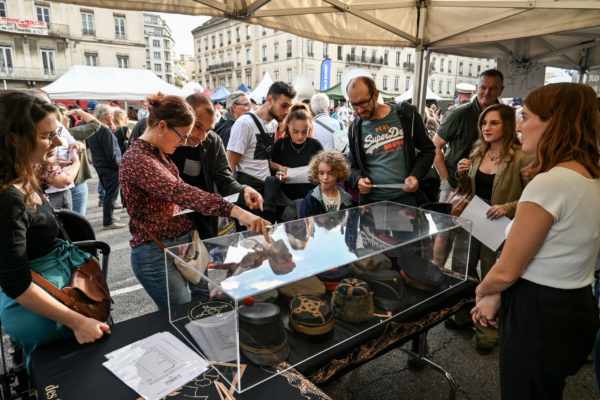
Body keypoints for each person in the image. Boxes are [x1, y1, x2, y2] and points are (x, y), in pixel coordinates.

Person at [471, 83, 600, 399]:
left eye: (526, 116)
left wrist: (483, 291)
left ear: (554, 123)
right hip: (576, 302)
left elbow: (507, 269)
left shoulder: (550, 183)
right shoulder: (590, 175)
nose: (519, 125)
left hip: (537, 315)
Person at [120, 93, 270, 310]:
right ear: (162, 126)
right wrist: (240, 213)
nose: (185, 141)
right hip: (156, 249)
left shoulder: (156, 152)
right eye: (182, 135)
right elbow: (182, 192)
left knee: (200, 303)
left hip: (186, 240)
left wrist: (241, 195)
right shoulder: (138, 159)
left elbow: (219, 181)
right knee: (182, 313)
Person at [0, 91, 110, 370]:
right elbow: (16, 284)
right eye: (47, 136)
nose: (58, 141)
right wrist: (78, 322)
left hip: (57, 302)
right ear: (14, 138)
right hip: (47, 312)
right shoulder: (8, 198)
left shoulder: (24, 176)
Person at [455, 103, 533, 354]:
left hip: (501, 224)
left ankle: (488, 330)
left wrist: (508, 207)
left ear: (508, 125)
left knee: (491, 274)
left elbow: (535, 197)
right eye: (484, 123)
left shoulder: (522, 157)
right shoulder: (478, 152)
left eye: (494, 123)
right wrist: (461, 174)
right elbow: (469, 187)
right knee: (465, 268)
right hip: (474, 215)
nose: (486, 128)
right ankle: (465, 315)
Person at [170, 93, 264, 239]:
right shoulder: (164, 143)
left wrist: (243, 189)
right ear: (185, 116)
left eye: (208, 130)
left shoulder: (212, 141)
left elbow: (225, 180)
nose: (202, 137)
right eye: (198, 126)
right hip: (170, 228)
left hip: (204, 223)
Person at [346, 76, 435, 206]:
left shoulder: (406, 114)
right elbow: (352, 167)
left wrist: (415, 175)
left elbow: (428, 150)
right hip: (372, 203)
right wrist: (358, 180)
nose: (359, 110)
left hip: (407, 201)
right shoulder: (355, 128)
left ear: (376, 95)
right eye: (354, 105)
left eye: (363, 103)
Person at [433, 70, 505, 202]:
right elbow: (435, 146)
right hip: (456, 188)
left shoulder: (505, 116)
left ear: (501, 90)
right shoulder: (459, 114)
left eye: (493, 88)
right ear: (477, 88)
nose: (487, 92)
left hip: (489, 190)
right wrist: (446, 182)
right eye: (483, 87)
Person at [226, 82, 296, 207]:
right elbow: (230, 163)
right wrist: (235, 201)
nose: (286, 111)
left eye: (289, 107)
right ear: (270, 100)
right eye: (283, 106)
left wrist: (280, 168)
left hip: (268, 190)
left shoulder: (273, 124)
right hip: (248, 193)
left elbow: (260, 158)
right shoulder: (244, 124)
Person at [270, 103, 324, 202]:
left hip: (311, 201)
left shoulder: (316, 145)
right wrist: (279, 175)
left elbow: (325, 173)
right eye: (295, 131)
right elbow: (271, 170)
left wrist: (318, 179)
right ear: (288, 126)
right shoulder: (280, 144)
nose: (300, 136)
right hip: (285, 202)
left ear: (309, 128)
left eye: (304, 131)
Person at [87, 105, 124, 229]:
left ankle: (109, 217)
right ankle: (108, 221)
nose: (113, 117)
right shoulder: (104, 130)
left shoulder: (94, 128)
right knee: (111, 194)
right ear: (107, 116)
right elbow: (110, 153)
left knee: (109, 192)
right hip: (109, 166)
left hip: (100, 165)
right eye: (112, 115)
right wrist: (118, 167)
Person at [300, 150, 353, 218]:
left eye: (330, 173)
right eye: (321, 173)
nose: (325, 177)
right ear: (317, 173)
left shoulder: (347, 198)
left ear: (339, 174)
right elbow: (305, 225)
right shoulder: (310, 199)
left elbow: (351, 223)